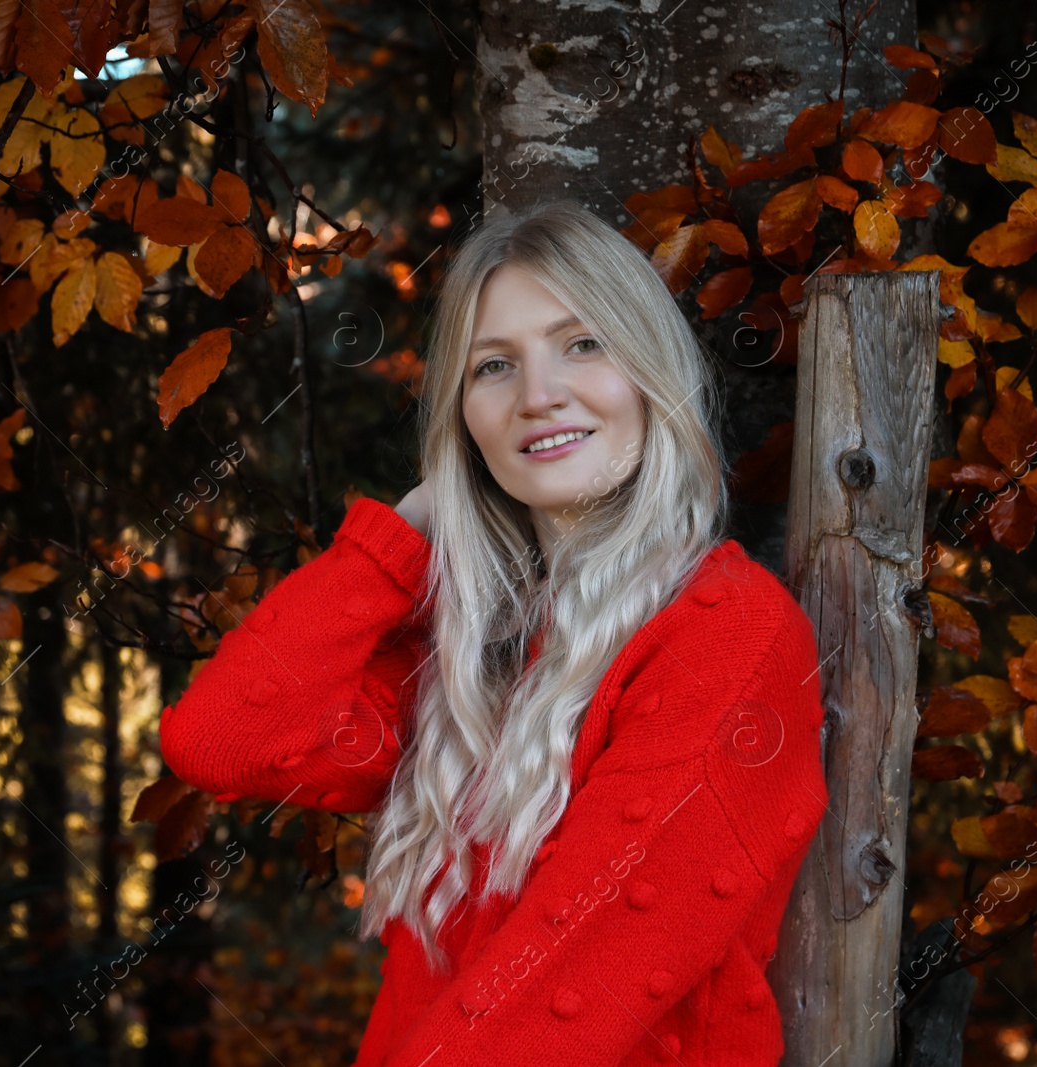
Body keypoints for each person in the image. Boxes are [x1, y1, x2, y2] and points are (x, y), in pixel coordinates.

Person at [157, 199, 829, 1066]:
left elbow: (563, 996)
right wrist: (402, 530)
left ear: (650, 370)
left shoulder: (731, 631)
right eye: (493, 367)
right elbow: (221, 741)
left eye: (583, 343)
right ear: (462, 417)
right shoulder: (473, 649)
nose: (539, 394)